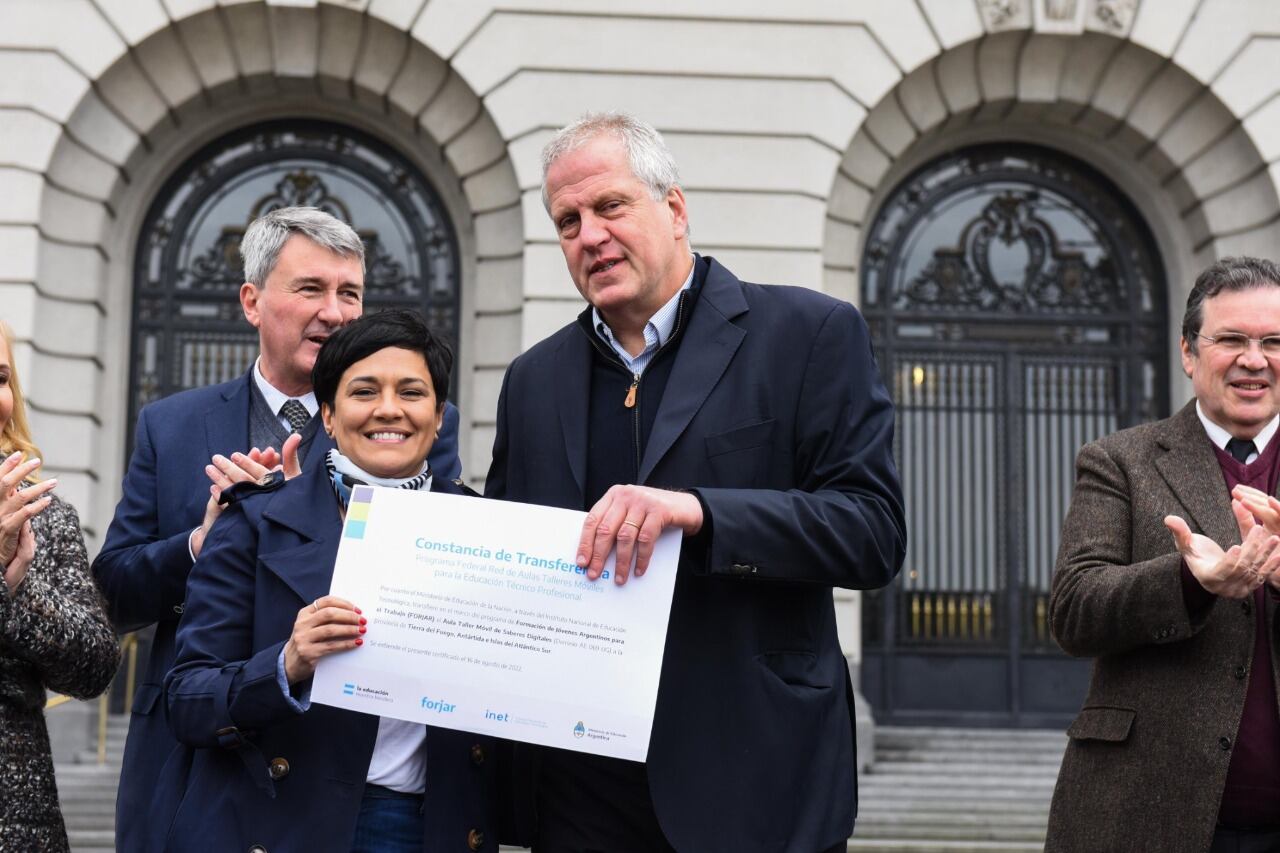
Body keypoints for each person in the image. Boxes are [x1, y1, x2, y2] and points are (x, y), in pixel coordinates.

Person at [485, 113, 906, 853]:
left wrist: (702, 513)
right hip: (579, 785)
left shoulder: (808, 334)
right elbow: (504, 548)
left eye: (610, 206)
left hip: (754, 774)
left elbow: (871, 531)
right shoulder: (531, 380)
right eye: (567, 221)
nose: (589, 235)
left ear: (674, 210)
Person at [92, 206, 463, 852]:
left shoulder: (408, 421)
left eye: (350, 292)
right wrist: (202, 543)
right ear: (251, 301)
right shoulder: (171, 425)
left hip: (352, 769)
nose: (337, 312)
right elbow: (115, 591)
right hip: (201, 761)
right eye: (311, 289)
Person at [162, 309, 496, 851]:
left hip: (430, 826)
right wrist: (285, 665)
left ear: (438, 417)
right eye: (364, 391)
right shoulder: (252, 523)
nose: (389, 409)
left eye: (411, 392)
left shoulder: (490, 533)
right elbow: (187, 699)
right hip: (286, 824)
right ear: (329, 416)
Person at [1047, 256, 1280, 853]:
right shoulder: (1119, 460)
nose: (1254, 360)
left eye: (1273, 342)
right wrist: (1188, 581)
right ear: (1188, 352)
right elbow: (1073, 612)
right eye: (1231, 339)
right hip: (1142, 813)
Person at [0, 321, 119, 850]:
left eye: (1, 377)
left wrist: (19, 586)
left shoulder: (44, 514)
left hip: (16, 818)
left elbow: (96, 667)